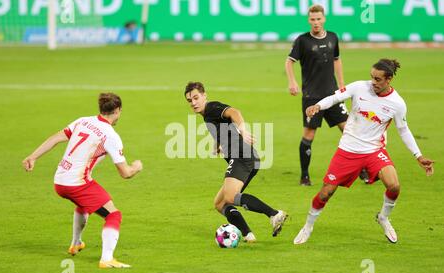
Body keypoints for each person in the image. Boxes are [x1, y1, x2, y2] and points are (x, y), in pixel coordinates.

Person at [293, 59, 435, 245]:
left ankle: (383, 218)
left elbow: (403, 130)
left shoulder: (397, 103)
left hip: (374, 151)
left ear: (389, 79)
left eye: (378, 79)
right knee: (325, 193)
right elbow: (335, 97)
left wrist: (418, 155)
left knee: (394, 186)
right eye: (372, 77)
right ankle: (308, 226)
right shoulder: (359, 87)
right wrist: (318, 106)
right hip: (348, 150)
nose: (373, 82)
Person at [22, 93, 143, 268]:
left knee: (84, 204)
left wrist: (33, 157)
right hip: (76, 184)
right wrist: (136, 167)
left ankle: (76, 243)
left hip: (60, 180)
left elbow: (56, 137)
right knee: (114, 215)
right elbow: (125, 173)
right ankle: (107, 259)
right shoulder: (110, 135)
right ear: (117, 111)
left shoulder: (83, 121)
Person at [184, 82, 288, 243]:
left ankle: (274, 214)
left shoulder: (211, 108)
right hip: (245, 157)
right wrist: (217, 145)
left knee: (231, 196)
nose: (194, 103)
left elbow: (234, 112)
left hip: (242, 156)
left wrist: (243, 130)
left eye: (196, 98)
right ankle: (248, 235)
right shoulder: (207, 115)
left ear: (205, 95)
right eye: (190, 101)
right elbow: (222, 128)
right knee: (220, 203)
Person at [285, 4, 349, 186]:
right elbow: (289, 62)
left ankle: (361, 169)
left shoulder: (333, 37)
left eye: (319, 19)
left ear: (324, 19)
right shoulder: (302, 41)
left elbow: (337, 60)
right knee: (309, 134)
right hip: (312, 96)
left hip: (333, 94)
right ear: (308, 20)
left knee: (349, 130)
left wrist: (342, 83)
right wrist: (292, 82)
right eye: (312, 19)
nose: (316, 22)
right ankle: (304, 176)